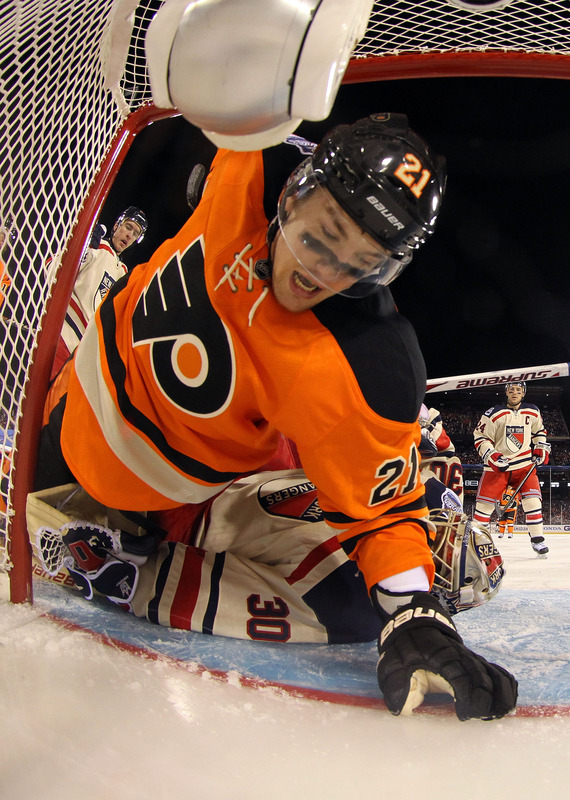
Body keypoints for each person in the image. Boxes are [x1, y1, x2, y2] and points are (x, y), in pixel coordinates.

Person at [34, 112, 517, 720]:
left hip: (144, 498)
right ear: (295, 190)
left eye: (359, 265)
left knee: (357, 602)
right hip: (68, 411)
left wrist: (414, 616)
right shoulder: (251, 161)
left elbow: (383, 511)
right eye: (324, 234)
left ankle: (121, 570)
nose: (322, 273)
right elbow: (230, 91)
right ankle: (129, 566)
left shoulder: (366, 363)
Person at [50, 206, 148, 379]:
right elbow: (52, 270)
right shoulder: (98, 247)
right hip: (61, 335)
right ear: (117, 225)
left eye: (135, 234)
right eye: (128, 227)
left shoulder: (123, 273)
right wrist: (82, 249)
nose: (129, 235)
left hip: (83, 354)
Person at [473, 381, 550, 557]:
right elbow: (480, 437)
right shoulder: (493, 413)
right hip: (498, 467)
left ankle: (538, 540)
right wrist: (492, 455)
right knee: (484, 506)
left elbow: (539, 432)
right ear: (506, 392)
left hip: (524, 465)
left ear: (523, 393)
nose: (515, 393)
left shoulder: (533, 411)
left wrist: (540, 448)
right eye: (511, 390)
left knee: (533, 502)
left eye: (518, 390)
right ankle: (475, 542)